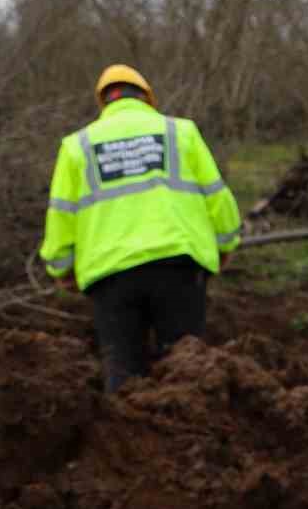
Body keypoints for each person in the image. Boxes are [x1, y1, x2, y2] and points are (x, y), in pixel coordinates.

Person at [40, 64, 242, 391]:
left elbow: (62, 216)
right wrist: (225, 246)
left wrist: (62, 268)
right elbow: (218, 199)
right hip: (179, 266)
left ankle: (127, 436)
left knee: (123, 371)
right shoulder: (181, 133)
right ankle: (195, 434)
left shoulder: (77, 146)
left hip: (110, 276)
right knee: (187, 366)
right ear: (148, 97)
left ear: (103, 102)